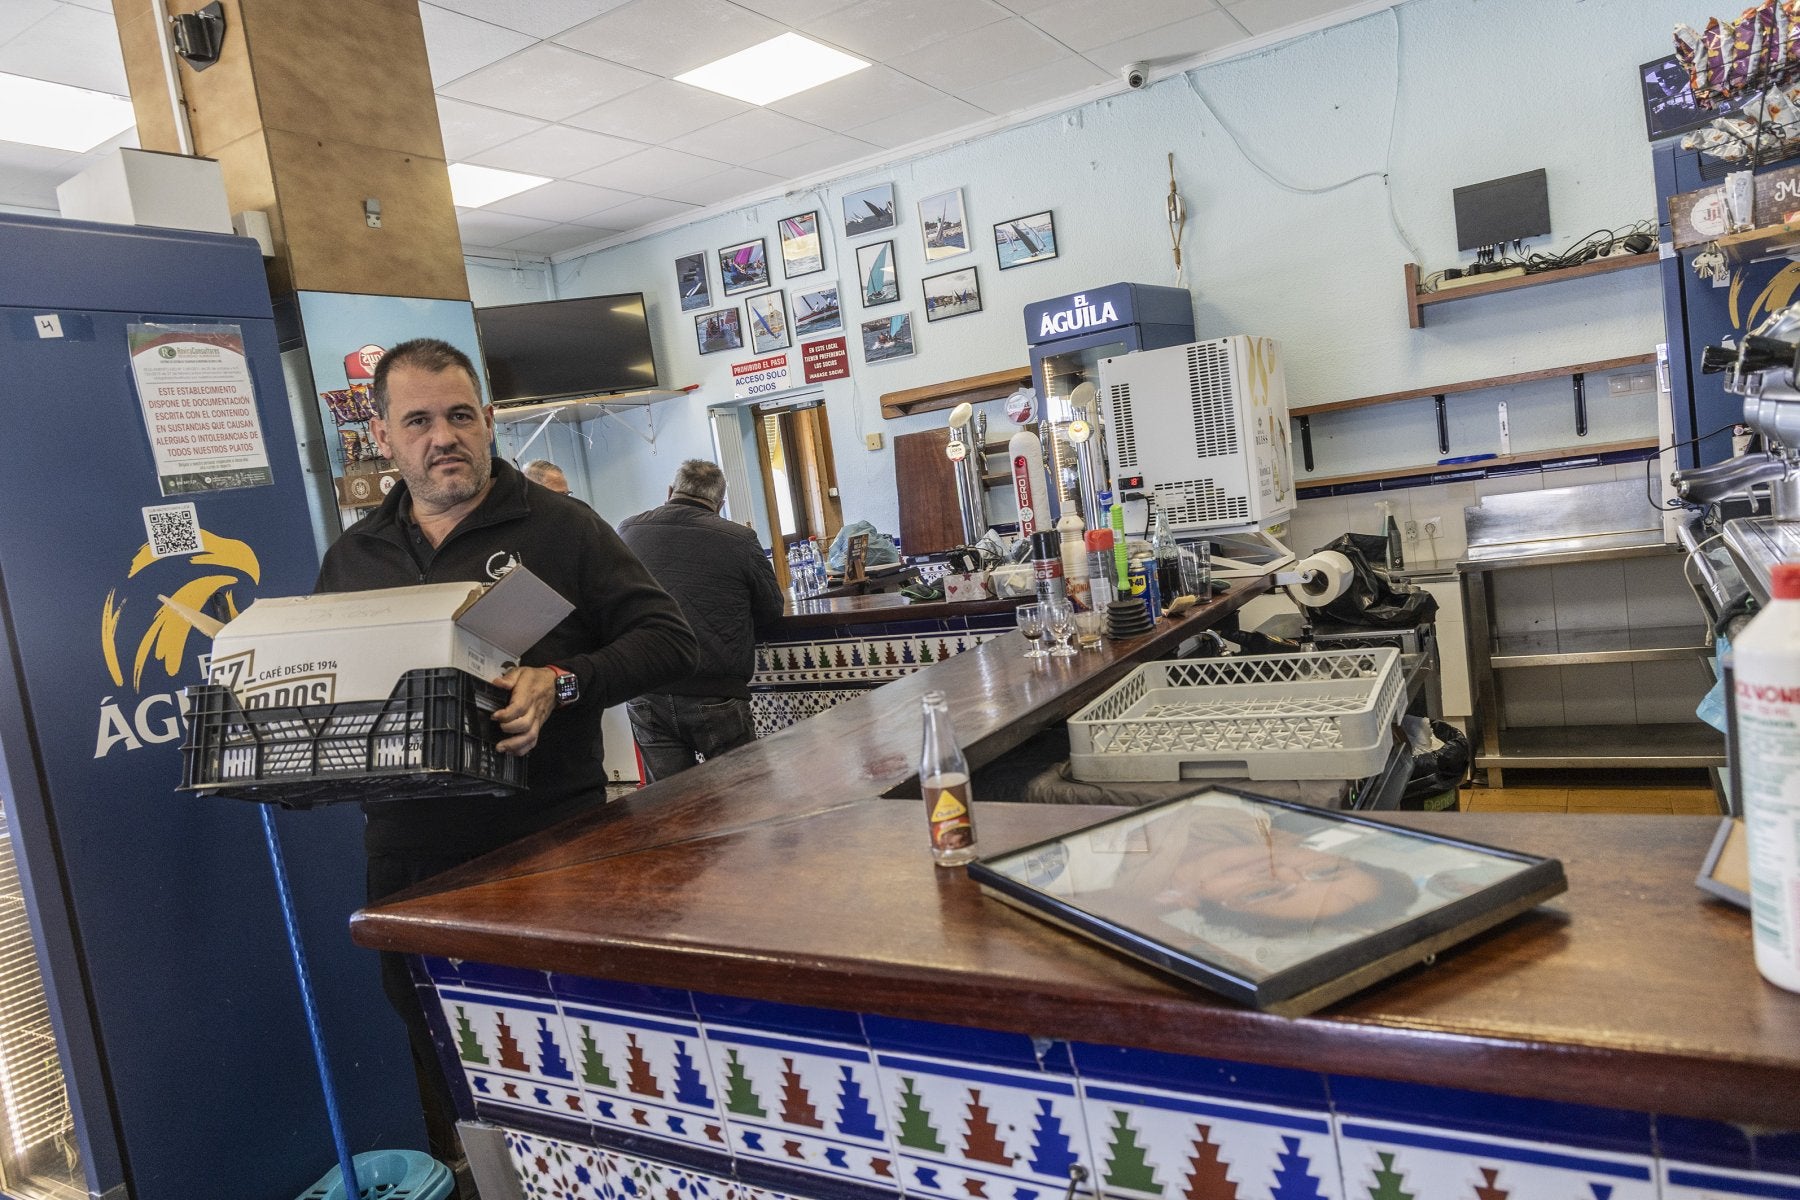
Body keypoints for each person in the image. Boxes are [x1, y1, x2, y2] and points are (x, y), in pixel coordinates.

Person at [314, 337, 696, 1161]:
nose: (441, 437)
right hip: (408, 866)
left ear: (488, 422)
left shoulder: (564, 529)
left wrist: (560, 681)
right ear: (382, 435)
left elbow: (671, 640)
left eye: (459, 416)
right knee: (444, 1073)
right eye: (417, 420)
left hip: (547, 852)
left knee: (576, 1070)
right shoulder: (351, 559)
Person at [617, 459, 783, 782]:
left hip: (646, 691)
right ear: (719, 505)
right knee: (745, 798)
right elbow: (772, 612)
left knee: (672, 808)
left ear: (670, 492)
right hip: (715, 693)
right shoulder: (740, 539)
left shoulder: (628, 531)